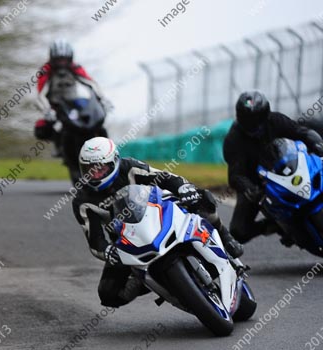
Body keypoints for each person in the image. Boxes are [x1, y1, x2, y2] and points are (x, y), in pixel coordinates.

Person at [72, 137, 243, 308]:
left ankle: (225, 237)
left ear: (114, 162)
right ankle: (146, 281)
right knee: (108, 294)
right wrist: (107, 251)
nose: (95, 174)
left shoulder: (129, 167)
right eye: (89, 170)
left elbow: (163, 177)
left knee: (201, 198)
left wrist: (183, 188)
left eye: (100, 169)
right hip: (127, 241)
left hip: (158, 213)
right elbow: (95, 240)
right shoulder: (82, 201)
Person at [223, 90, 323, 243]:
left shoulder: (275, 120)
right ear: (240, 119)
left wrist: (318, 145)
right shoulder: (234, 139)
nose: (254, 125)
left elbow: (301, 132)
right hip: (258, 183)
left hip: (290, 167)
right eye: (249, 121)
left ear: (265, 114)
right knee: (239, 231)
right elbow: (235, 175)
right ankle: (274, 225)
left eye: (258, 119)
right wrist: (250, 189)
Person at [34, 40, 110, 157]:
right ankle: (59, 147)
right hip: (54, 105)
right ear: (52, 59)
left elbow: (91, 83)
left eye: (64, 60)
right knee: (53, 125)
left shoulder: (75, 68)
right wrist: (47, 111)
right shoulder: (45, 71)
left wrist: (103, 99)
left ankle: (106, 148)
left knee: (94, 121)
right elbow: (40, 95)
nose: (62, 63)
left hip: (73, 103)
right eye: (59, 60)